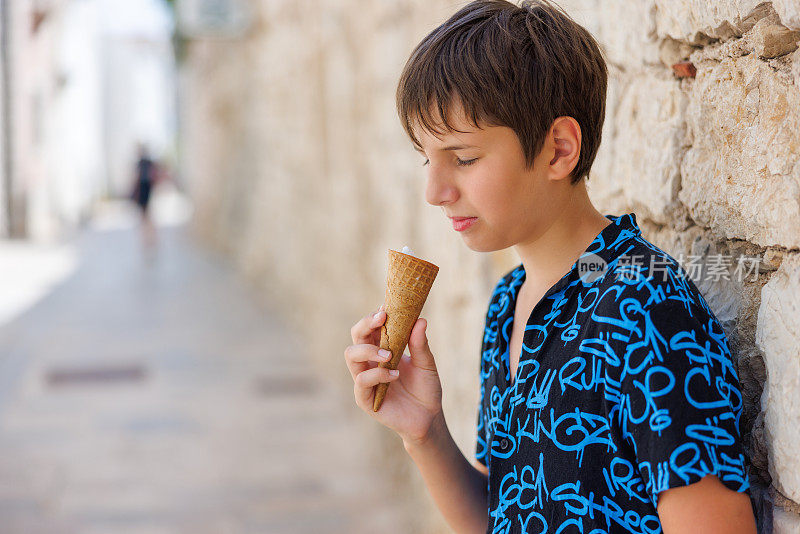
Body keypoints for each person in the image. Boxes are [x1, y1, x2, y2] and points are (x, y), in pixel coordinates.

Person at [344, 1, 757, 533]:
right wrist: (424, 433)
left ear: (559, 149)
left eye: (464, 158)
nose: (434, 192)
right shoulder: (507, 302)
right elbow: (504, 516)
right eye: (428, 158)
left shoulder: (645, 310)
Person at [130, 143, 162, 255]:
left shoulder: (140, 163)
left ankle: (147, 240)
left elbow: (136, 179)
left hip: (143, 193)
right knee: (148, 218)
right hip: (148, 192)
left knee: (145, 218)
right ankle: (151, 240)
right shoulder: (149, 162)